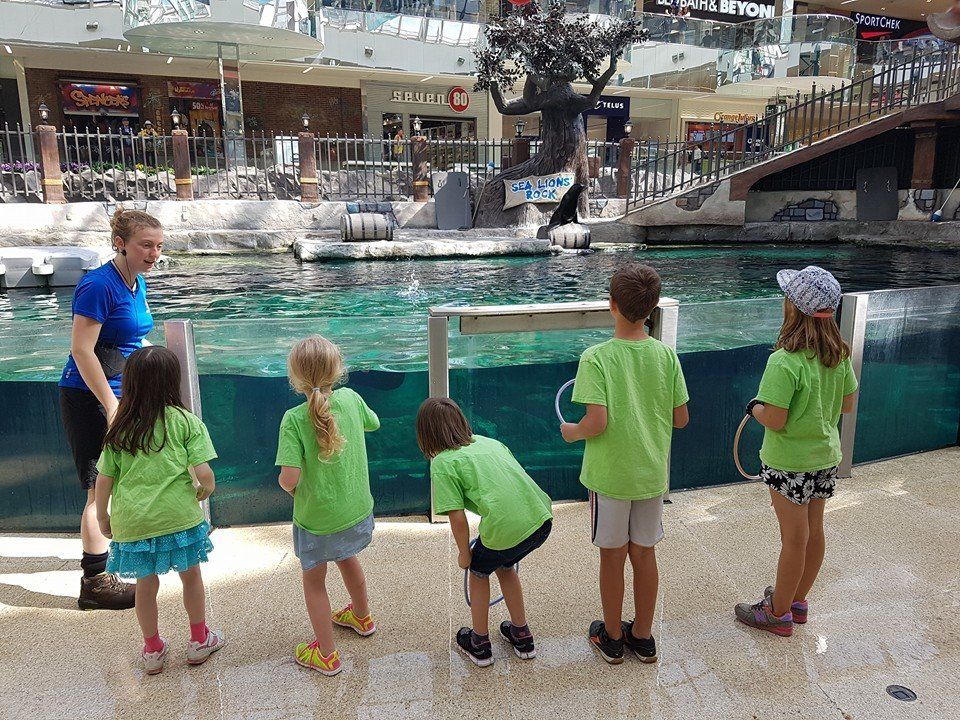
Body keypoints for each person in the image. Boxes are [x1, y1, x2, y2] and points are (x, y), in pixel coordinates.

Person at [560, 263, 689, 665]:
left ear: (611, 304)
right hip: (651, 475)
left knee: (612, 557)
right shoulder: (665, 356)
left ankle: (613, 637)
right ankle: (644, 636)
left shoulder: (596, 358)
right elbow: (680, 418)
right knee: (645, 554)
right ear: (651, 309)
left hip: (610, 478)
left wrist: (572, 431)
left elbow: (596, 423)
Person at [735, 266, 858, 637]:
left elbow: (774, 417)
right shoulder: (839, 354)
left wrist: (754, 407)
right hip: (825, 458)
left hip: (788, 464)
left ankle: (777, 613)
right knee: (814, 530)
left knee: (793, 538)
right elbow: (848, 405)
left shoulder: (784, 360)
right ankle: (798, 600)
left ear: (792, 307)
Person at [94, 346, 224, 675]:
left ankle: (152, 648)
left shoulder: (120, 428)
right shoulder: (185, 422)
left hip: (134, 523)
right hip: (179, 517)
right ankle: (199, 640)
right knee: (191, 577)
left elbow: (105, 478)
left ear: (131, 383)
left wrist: (102, 516)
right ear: (172, 382)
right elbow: (204, 473)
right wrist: (203, 491)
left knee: (145, 585)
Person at [59, 208, 162, 611]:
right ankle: (95, 583)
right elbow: (82, 350)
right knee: (96, 488)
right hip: (90, 398)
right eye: (145, 245)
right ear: (120, 243)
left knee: (120, 483)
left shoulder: (135, 282)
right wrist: (110, 404)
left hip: (125, 397)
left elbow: (134, 337)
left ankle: (115, 557)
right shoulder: (98, 286)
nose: (153, 253)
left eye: (158, 245)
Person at [416, 398, 553, 667]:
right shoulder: (488, 442)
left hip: (507, 528)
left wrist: (464, 554)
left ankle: (479, 642)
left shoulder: (443, 462)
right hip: (541, 518)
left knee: (479, 571)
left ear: (426, 434)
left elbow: (456, 516)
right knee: (505, 565)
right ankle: (521, 634)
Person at [276, 336, 381, 677]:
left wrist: (286, 487)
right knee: (348, 556)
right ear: (338, 371)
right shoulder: (351, 398)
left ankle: (325, 653)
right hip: (356, 510)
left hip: (317, 520)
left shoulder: (293, 419)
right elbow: (374, 423)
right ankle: (362, 616)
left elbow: (289, 478)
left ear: (295, 379)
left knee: (315, 581)